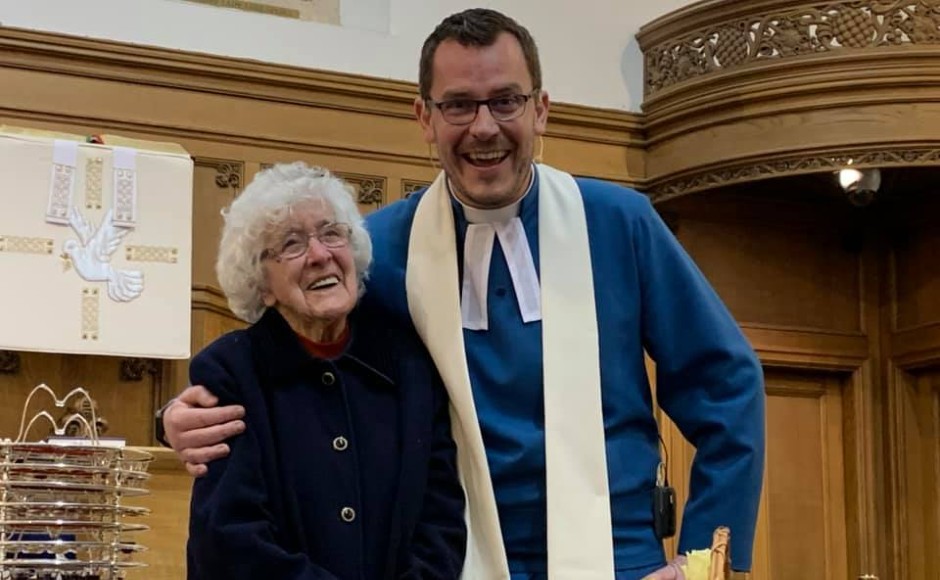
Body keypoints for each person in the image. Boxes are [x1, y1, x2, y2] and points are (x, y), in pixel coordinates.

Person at [164, 9, 765, 580]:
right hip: (453, 558)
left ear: (542, 110)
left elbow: (726, 383)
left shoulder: (619, 223)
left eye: (506, 100)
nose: (484, 127)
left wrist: (700, 557)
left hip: (618, 555)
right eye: (458, 105)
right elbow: (298, 368)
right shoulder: (380, 248)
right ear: (424, 117)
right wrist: (177, 416)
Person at [183, 162, 466, 580]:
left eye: (332, 233)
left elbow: (441, 521)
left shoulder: (411, 366)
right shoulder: (230, 373)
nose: (320, 255)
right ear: (260, 282)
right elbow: (229, 539)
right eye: (292, 244)